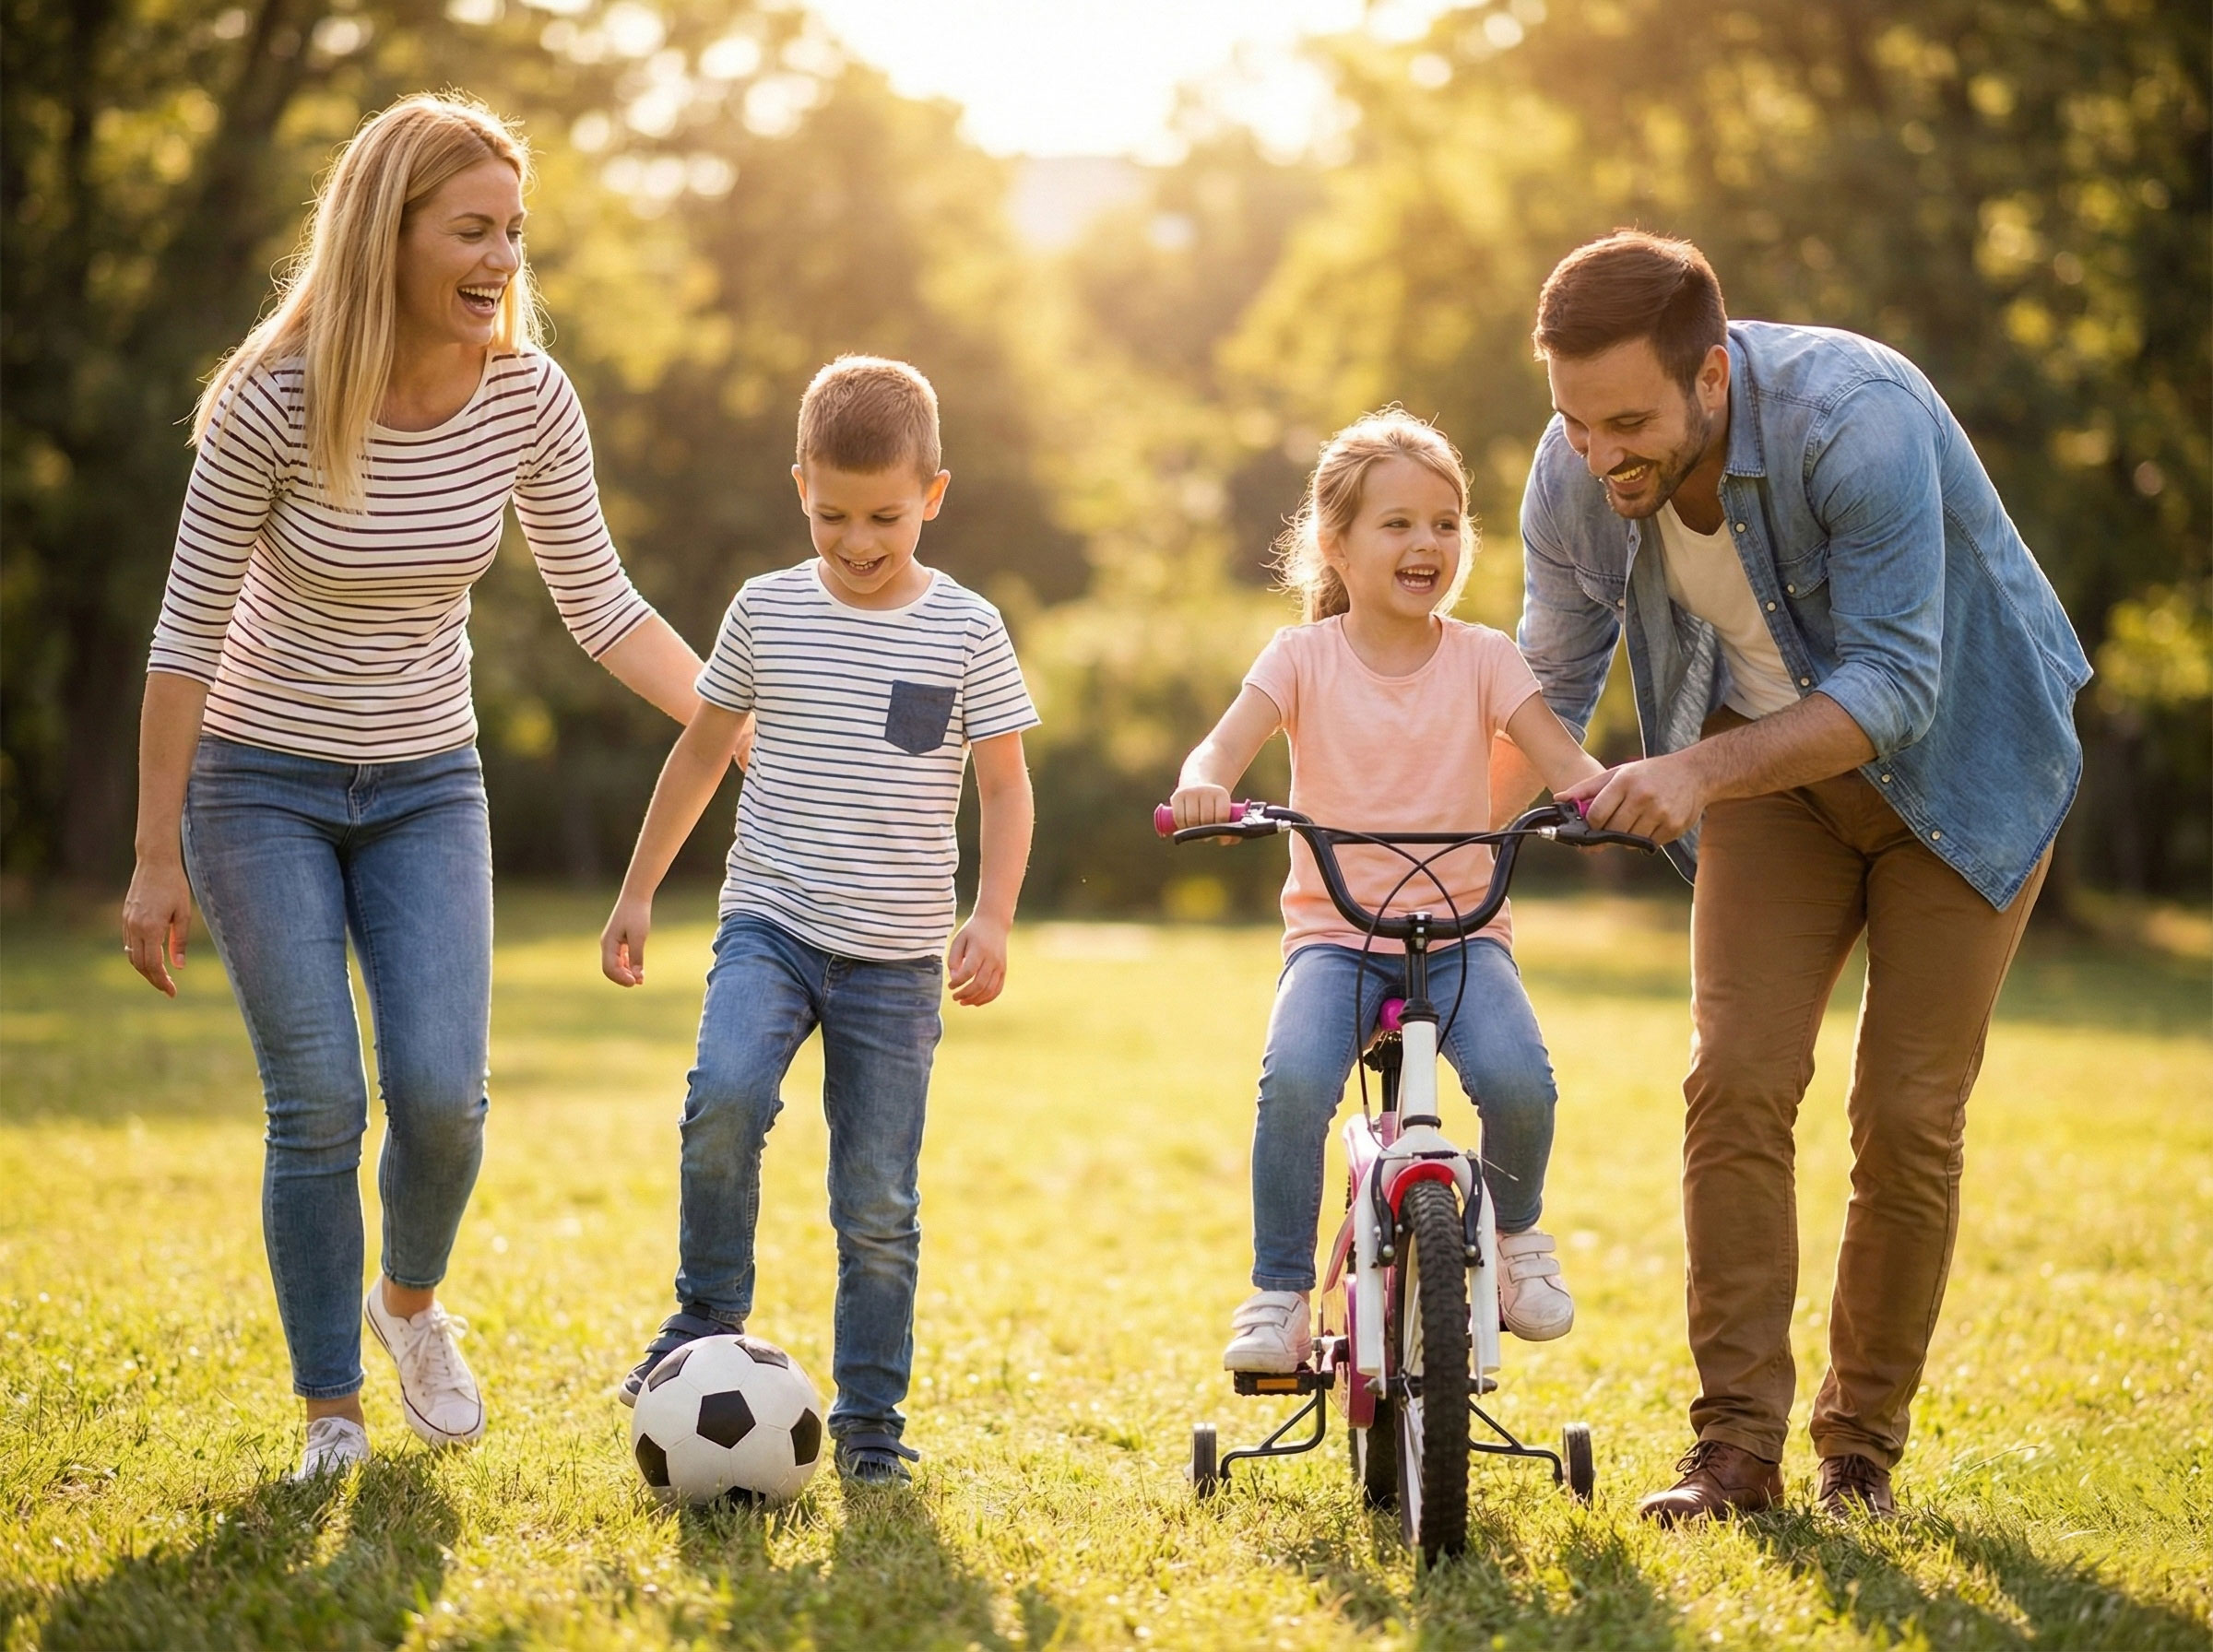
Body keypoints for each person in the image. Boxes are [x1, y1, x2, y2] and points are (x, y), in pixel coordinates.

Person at [120, 94, 718, 1481]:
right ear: (385, 233)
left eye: (513, 229)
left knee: (444, 1095)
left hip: (425, 783)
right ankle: (331, 1412)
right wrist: (157, 857)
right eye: (471, 229)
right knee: (320, 1101)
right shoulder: (271, 404)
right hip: (255, 784)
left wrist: (736, 723)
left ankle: (410, 1308)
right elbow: (183, 635)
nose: (503, 257)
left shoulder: (526, 395)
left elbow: (602, 605)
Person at [1506, 230, 2089, 1521]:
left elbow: (1893, 683)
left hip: (1965, 775)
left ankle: (1859, 1454)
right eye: (1575, 421)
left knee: (1906, 1113)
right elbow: (1540, 681)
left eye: (1628, 422)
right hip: (1775, 788)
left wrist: (1697, 775)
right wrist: (1437, 862)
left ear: (1711, 376)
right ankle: (1735, 1455)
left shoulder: (1854, 416)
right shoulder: (1575, 465)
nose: (1601, 455)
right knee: (1735, 1079)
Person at [599, 355, 1038, 1488]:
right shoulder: (766, 609)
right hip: (772, 921)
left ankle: (872, 1425)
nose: (856, 540)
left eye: (885, 515)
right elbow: (700, 755)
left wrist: (991, 915)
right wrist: (640, 888)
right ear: (799, 485)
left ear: (933, 495)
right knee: (725, 1100)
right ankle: (699, 1325)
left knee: (877, 1204)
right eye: (833, 512)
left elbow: (1003, 783)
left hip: (897, 960)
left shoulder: (968, 630)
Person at [1170, 410, 1607, 1374]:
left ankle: (1518, 1234)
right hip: (1336, 936)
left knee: (1522, 1079)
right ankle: (1280, 1293)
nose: (1428, 545)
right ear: (1337, 543)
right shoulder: (1302, 659)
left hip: (1463, 936)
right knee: (1291, 1082)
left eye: (1447, 523)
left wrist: (1600, 798)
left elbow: (1564, 760)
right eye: (1399, 524)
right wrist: (1205, 780)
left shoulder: (1487, 656)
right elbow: (1223, 743)